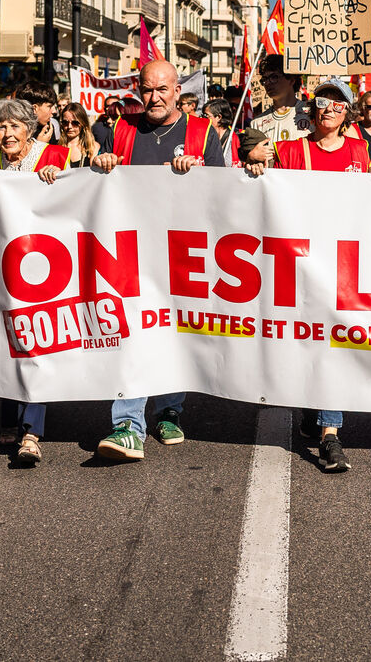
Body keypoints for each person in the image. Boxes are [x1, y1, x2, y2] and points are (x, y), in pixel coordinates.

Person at [246, 78, 371, 471]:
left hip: (342, 265)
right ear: (312, 110)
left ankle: (330, 435)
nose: (329, 109)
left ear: (347, 114)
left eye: (338, 104)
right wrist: (255, 166)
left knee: (334, 343)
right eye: (323, 102)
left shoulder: (361, 152)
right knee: (307, 339)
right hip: (299, 262)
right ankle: (313, 406)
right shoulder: (292, 151)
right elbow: (262, 189)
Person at [89, 60, 226, 461]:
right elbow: (96, 181)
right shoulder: (122, 129)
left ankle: (169, 411)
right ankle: (128, 425)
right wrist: (100, 164)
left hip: (183, 252)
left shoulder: (202, 132)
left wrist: (197, 174)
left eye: (162, 89)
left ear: (177, 91)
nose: (154, 97)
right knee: (131, 333)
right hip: (131, 250)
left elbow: (223, 192)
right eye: (147, 90)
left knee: (172, 332)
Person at [0, 98, 70, 463]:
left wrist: (59, 182)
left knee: (34, 342)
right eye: (0, 127)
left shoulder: (56, 156)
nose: (7, 133)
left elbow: (74, 203)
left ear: (30, 128)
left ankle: (32, 431)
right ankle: (8, 416)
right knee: (5, 340)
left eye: (14, 126)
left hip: (42, 265)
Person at [250, 54, 311, 161]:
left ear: (291, 80)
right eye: (265, 79)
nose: (267, 83)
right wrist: (251, 158)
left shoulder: (311, 113)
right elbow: (253, 162)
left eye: (274, 77)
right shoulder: (257, 123)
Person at [58, 102, 101, 168]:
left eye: (75, 123)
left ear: (83, 123)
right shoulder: (56, 147)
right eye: (65, 122)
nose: (69, 126)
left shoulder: (93, 147)